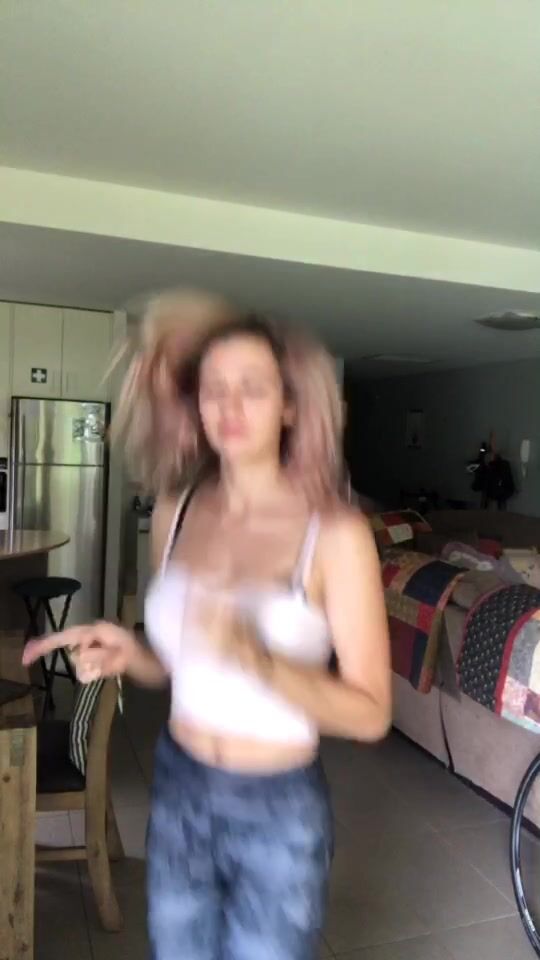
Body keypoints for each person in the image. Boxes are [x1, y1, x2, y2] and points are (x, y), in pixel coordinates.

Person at [23, 292, 391, 960]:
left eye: (252, 387)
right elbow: (177, 664)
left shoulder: (336, 534)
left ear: (289, 406)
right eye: (213, 388)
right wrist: (130, 650)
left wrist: (258, 660)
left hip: (278, 808)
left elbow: (370, 714)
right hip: (179, 788)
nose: (228, 405)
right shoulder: (177, 507)